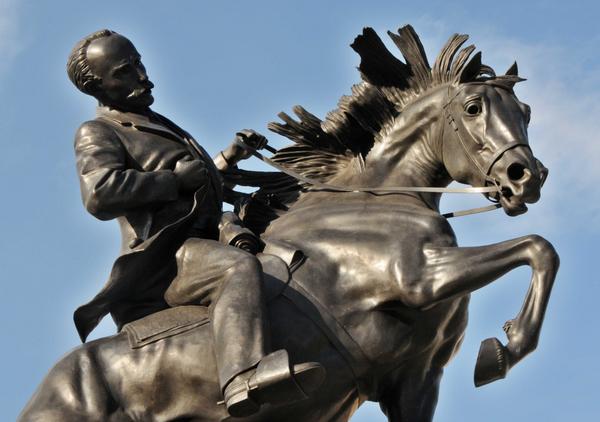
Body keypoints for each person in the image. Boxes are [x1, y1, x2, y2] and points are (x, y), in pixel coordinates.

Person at [66, 29, 322, 417]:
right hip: (167, 257)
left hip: (206, 236)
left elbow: (197, 183)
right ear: (98, 87)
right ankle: (243, 377)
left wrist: (227, 157)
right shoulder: (99, 131)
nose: (141, 75)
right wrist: (173, 182)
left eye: (138, 63)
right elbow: (99, 193)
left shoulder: (155, 121)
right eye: (125, 71)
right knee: (237, 268)